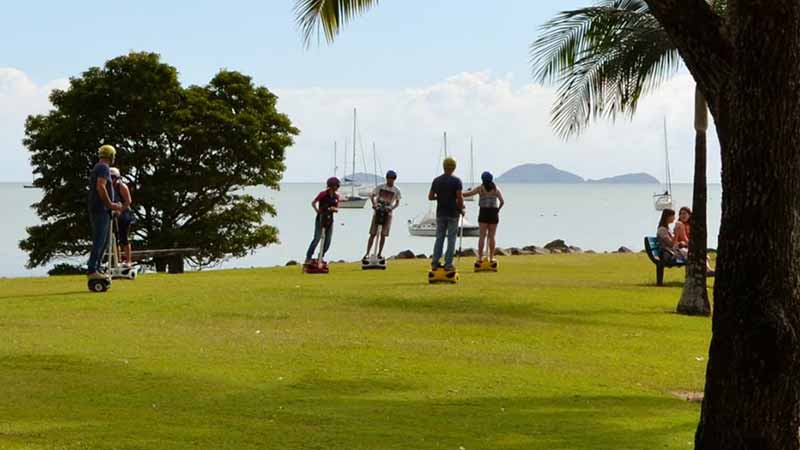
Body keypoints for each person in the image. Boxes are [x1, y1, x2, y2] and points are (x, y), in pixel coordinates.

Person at [87, 145, 123, 279]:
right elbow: (101, 187)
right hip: (100, 209)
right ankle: (92, 269)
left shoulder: (100, 167)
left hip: (103, 209)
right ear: (111, 156)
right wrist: (110, 204)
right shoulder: (103, 167)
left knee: (105, 241)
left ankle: (97, 267)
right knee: (99, 240)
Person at [429, 157, 464, 271]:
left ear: (443, 166)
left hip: (440, 213)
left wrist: (439, 197)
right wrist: (461, 209)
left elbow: (430, 197)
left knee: (439, 238)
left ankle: (435, 262)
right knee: (451, 239)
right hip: (453, 213)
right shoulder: (457, 181)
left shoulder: (437, 180)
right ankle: (448, 264)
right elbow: (459, 198)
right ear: (454, 167)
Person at [464, 171, 505, 262]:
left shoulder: (480, 188)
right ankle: (491, 257)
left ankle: (479, 257)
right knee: (492, 236)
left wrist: (458, 194)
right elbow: (502, 202)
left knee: (482, 236)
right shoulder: (496, 189)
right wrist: (498, 210)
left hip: (483, 212)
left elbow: (469, 194)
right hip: (493, 212)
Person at [363, 170, 402, 260]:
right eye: (389, 179)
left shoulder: (396, 190)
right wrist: (374, 205)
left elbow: (397, 203)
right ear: (387, 178)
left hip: (388, 214)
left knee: (383, 235)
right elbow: (372, 196)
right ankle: (367, 253)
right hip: (378, 212)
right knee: (373, 233)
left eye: (392, 179)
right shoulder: (380, 187)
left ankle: (379, 253)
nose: (390, 181)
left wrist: (391, 208)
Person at [305, 177, 340, 264]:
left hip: (330, 220)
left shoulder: (336, 196)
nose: (338, 187)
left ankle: (321, 255)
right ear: (331, 185)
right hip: (321, 219)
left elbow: (337, 208)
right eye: (336, 185)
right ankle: (308, 257)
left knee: (328, 241)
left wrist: (333, 209)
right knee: (317, 238)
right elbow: (313, 203)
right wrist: (317, 211)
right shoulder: (323, 194)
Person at [110, 168, 135, 266]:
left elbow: (128, 201)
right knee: (114, 238)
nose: (111, 179)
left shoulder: (122, 186)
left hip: (125, 214)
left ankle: (128, 260)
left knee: (124, 238)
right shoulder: (108, 188)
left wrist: (120, 210)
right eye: (110, 177)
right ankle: (118, 260)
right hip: (113, 215)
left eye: (113, 177)